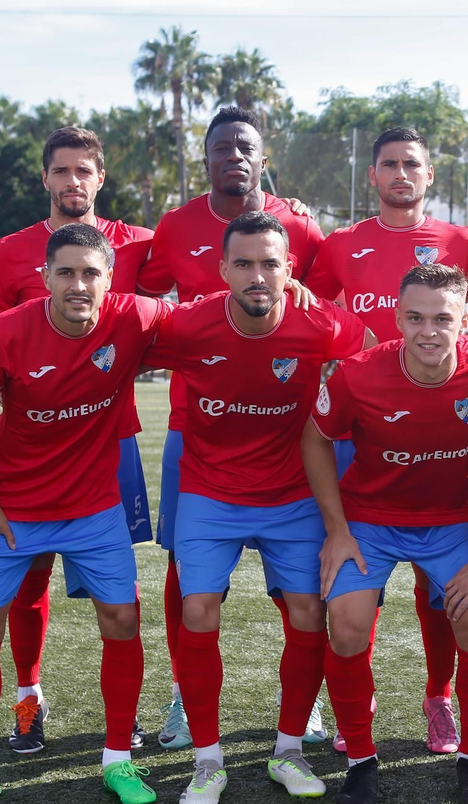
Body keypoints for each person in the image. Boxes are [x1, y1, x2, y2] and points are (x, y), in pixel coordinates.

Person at [138, 211, 371, 804]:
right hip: (210, 492)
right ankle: (207, 760)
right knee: (198, 607)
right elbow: (121, 345)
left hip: (293, 494)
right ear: (222, 271)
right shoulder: (189, 325)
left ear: (289, 267)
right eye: (243, 263)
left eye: (270, 262)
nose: (258, 275)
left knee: (306, 612)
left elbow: (380, 352)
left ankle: (288, 749)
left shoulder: (318, 324)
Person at [0, 222, 170, 804]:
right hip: (12, 509)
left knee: (123, 619)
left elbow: (211, 317)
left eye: (91, 273)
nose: (79, 284)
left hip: (93, 507)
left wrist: (293, 295)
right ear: (44, 278)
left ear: (110, 278)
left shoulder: (137, 318)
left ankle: (119, 758)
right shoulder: (4, 334)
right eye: (66, 273)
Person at [304, 126, 468, 756]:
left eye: (412, 165)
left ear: (429, 175)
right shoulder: (343, 243)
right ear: (373, 175)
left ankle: (440, 698)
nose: (400, 174)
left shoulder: (461, 242)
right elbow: (311, 305)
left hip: (446, 431)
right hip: (363, 417)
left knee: (443, 592)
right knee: (348, 596)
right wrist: (346, 351)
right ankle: (353, 708)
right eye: (389, 164)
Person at [136, 105, 327, 753]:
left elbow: (321, 298)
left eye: (245, 146)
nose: (234, 157)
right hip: (199, 428)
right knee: (184, 571)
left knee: (296, 572)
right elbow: (139, 291)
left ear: (262, 156)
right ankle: (184, 697)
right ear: (208, 158)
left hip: (285, 428)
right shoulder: (176, 227)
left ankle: (309, 694)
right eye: (221, 148)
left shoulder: (298, 222)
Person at [0, 125, 156, 755]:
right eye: (62, 171)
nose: (73, 182)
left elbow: (212, 256)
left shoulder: (140, 245)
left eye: (85, 171)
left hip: (110, 443)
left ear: (99, 179)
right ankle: (28, 697)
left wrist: (282, 209)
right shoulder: (9, 253)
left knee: (119, 588)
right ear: (46, 178)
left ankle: (123, 716)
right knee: (27, 580)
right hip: (30, 447)